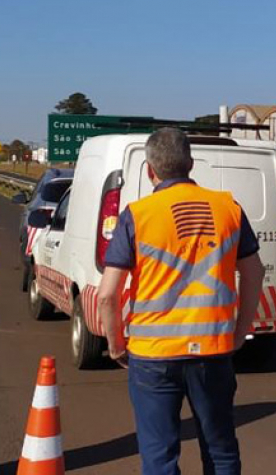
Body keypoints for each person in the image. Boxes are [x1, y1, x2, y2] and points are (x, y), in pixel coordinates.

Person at [98, 128, 264, 475]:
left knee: (160, 458)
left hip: (153, 355)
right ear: (190, 164)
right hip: (213, 351)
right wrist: (238, 334)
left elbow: (108, 294)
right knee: (220, 450)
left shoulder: (138, 215)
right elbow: (254, 274)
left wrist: (115, 345)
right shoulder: (229, 209)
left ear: (149, 170)